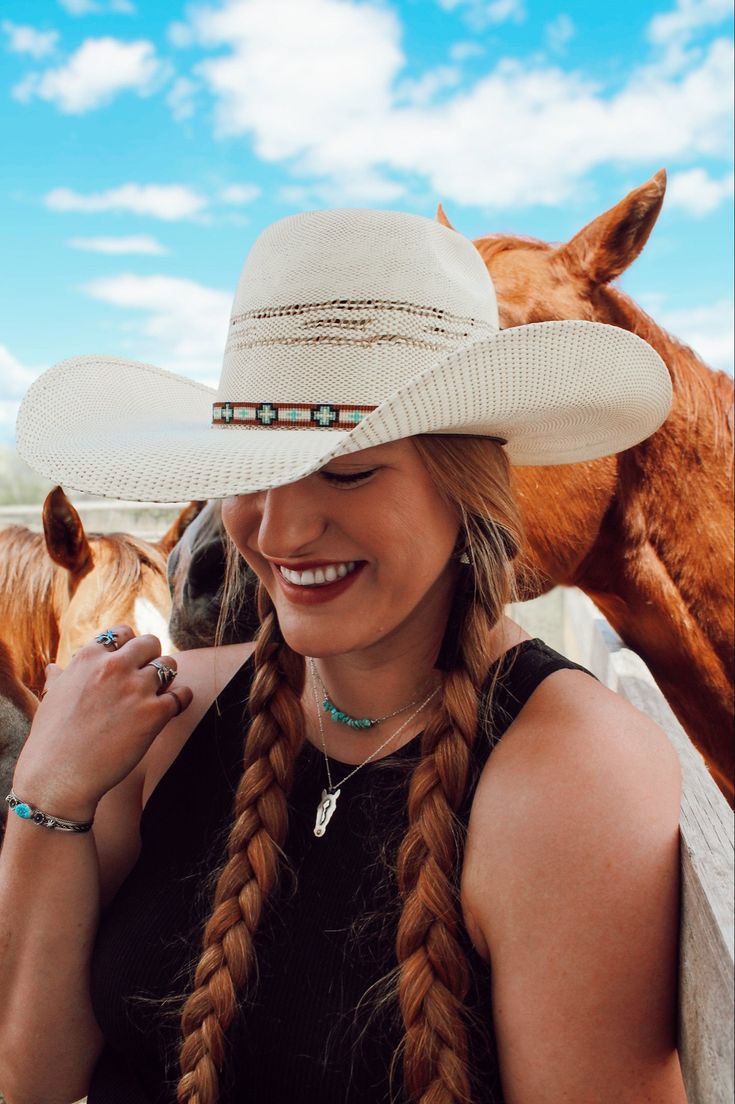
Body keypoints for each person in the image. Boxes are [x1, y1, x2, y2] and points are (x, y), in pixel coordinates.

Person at [1, 209, 687, 1104]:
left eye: (349, 470)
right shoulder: (154, 721)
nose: (279, 530)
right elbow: (30, 1077)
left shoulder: (570, 778)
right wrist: (47, 794)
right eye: (250, 467)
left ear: (464, 484)